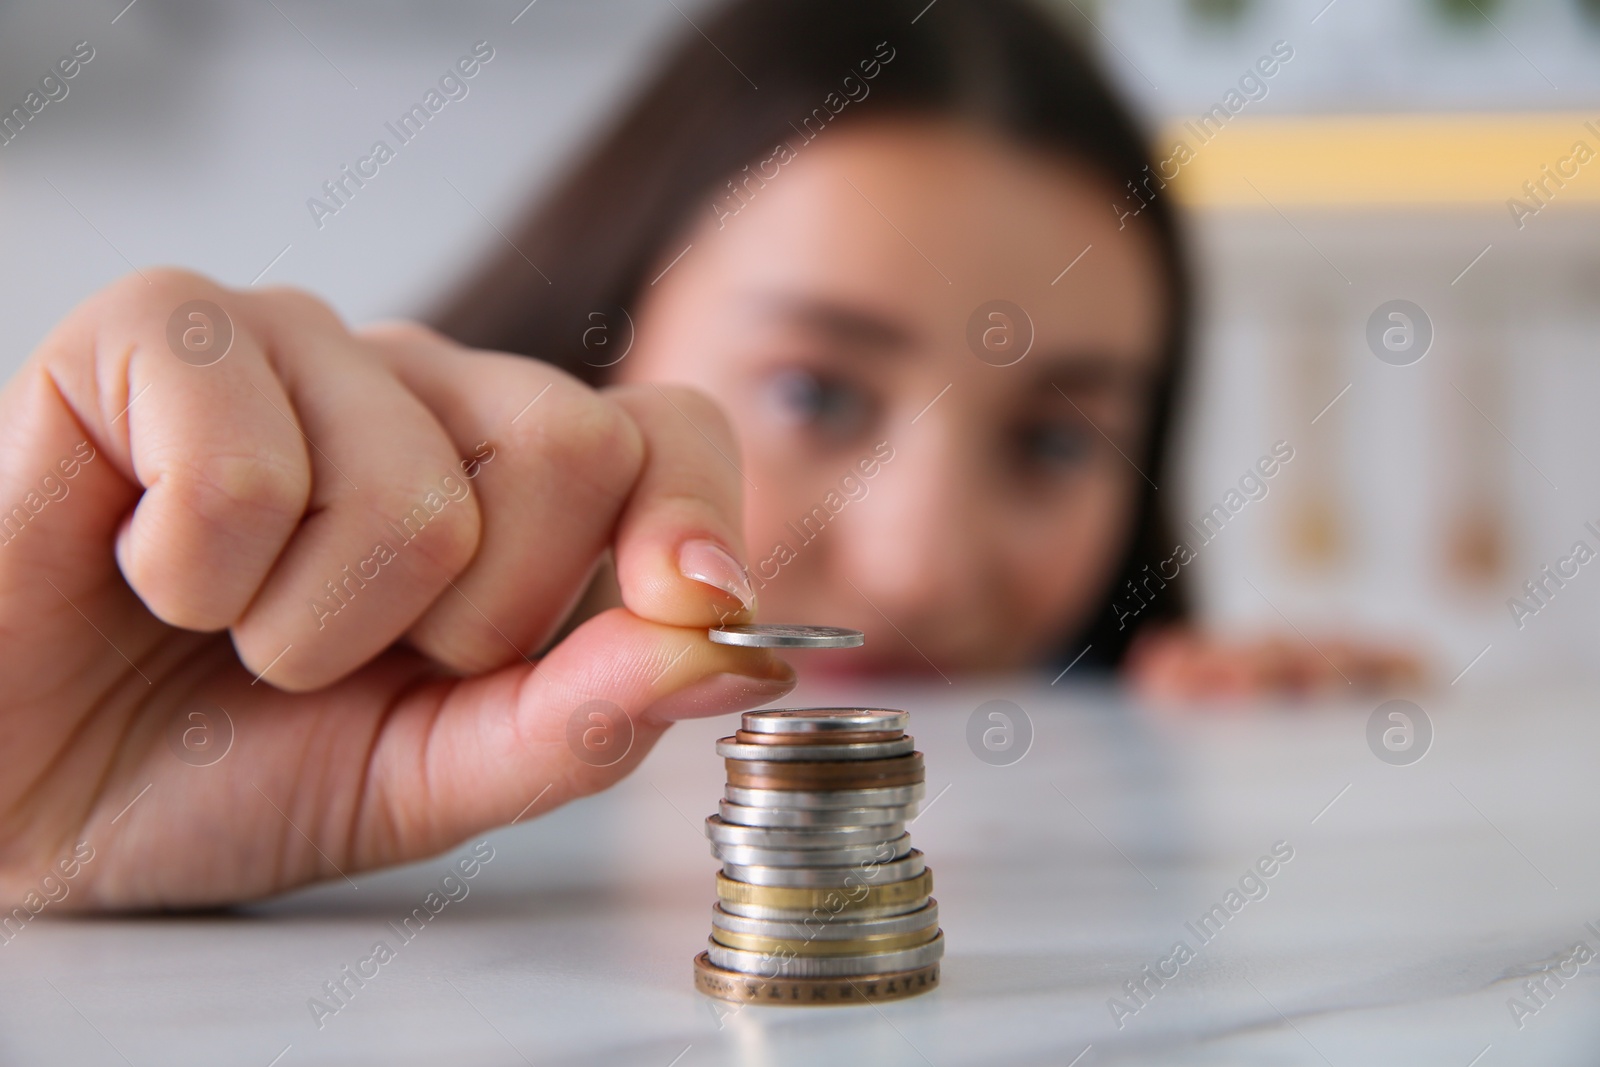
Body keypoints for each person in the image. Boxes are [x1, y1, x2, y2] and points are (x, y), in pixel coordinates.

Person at [0, 0, 1412, 912]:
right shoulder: (217, 693)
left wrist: (1277, 780)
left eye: (1055, 437)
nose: (923, 562)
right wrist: (31, 801)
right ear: (593, 346)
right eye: (814, 391)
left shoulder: (1153, 783)